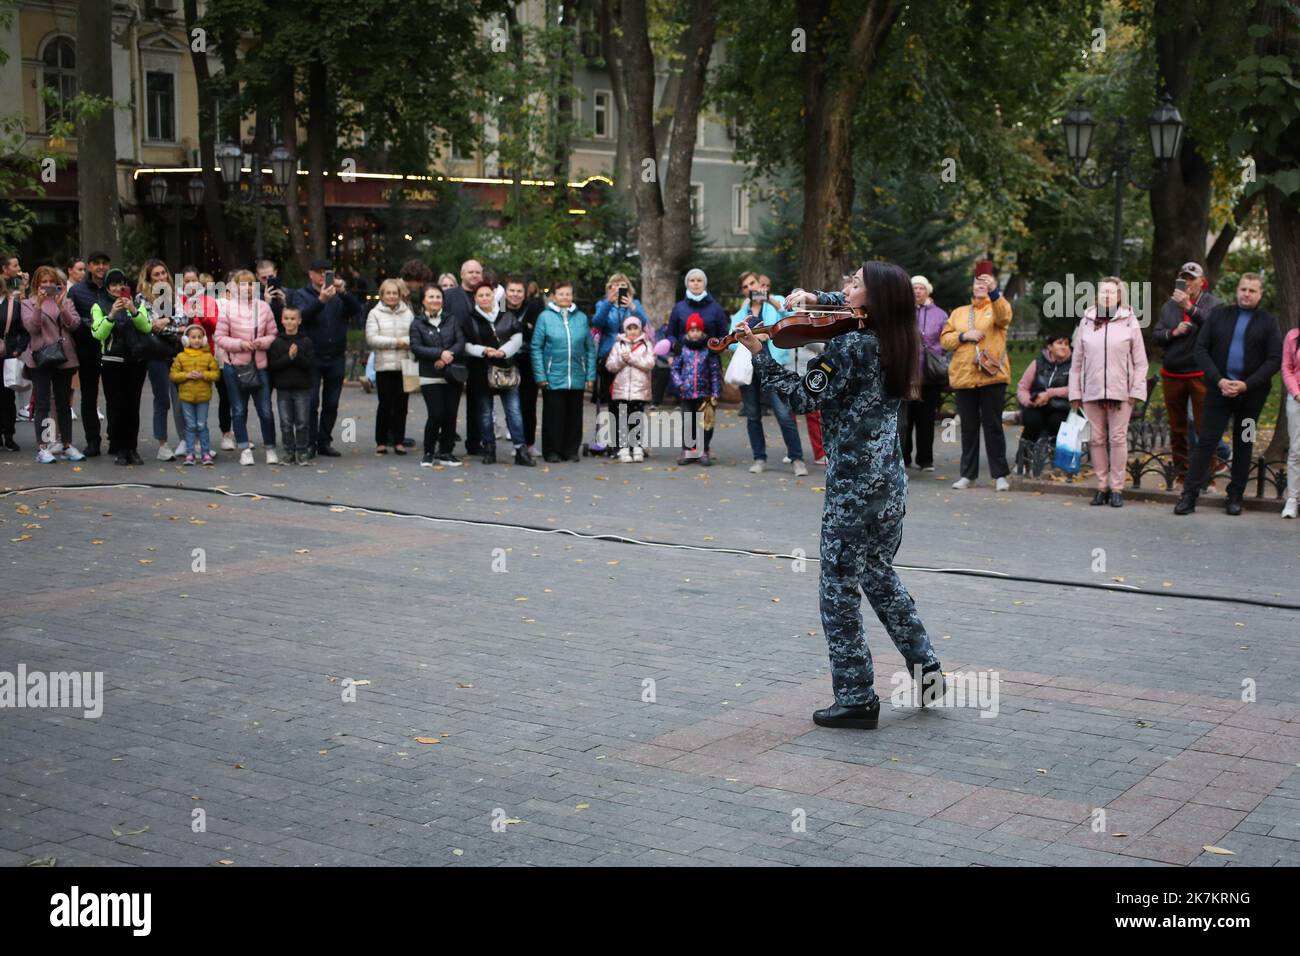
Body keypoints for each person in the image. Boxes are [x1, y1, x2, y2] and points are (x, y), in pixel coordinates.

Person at [747, 262, 944, 729]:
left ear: (871, 297)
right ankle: (928, 672)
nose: (843, 287)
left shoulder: (849, 345)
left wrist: (760, 353)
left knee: (838, 590)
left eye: (853, 282)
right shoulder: (898, 335)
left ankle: (856, 697)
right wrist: (808, 298)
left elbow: (799, 398)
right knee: (879, 574)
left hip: (853, 487)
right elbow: (847, 307)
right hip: (890, 484)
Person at [1175, 273, 1283, 516]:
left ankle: (1235, 497)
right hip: (1217, 393)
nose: (1246, 294)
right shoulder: (1219, 315)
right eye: (1243, 289)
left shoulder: (1268, 321)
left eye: (1252, 291)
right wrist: (1219, 380)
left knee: (1244, 442)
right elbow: (1201, 349)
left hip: (1251, 397)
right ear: (1237, 291)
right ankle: (1189, 497)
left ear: (1260, 294)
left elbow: (1274, 359)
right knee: (1206, 443)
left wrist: (1247, 384)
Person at [1068, 278, 1148, 507]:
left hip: (1121, 391)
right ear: (1097, 295)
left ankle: (1117, 488)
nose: (1107, 296)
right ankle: (1101, 486)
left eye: (1111, 293)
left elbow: (1140, 362)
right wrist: (1075, 392)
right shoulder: (1086, 321)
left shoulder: (1129, 321)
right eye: (1103, 291)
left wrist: (1135, 390)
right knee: (1096, 439)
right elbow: (1077, 361)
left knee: (1117, 438)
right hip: (1091, 389)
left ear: (1119, 296)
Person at [939, 271, 1013, 491]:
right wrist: (964, 336)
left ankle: (1000, 475)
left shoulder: (998, 306)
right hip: (964, 376)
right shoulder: (959, 313)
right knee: (968, 428)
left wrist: (994, 292)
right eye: (977, 282)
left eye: (986, 282)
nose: (981, 285)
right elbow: (944, 340)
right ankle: (967, 475)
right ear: (972, 286)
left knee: (993, 426)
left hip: (992, 377)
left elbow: (1004, 317)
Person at [1153, 261, 1223, 487]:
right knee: (1178, 430)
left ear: (1203, 281)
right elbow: (1156, 335)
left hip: (1201, 373)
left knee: (1205, 428)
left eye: (1193, 278)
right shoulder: (1169, 306)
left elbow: (1216, 329)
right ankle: (1182, 477)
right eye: (1185, 278)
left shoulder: (1213, 304)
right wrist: (1173, 332)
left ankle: (1208, 479)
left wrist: (1190, 309)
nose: (1189, 282)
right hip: (1172, 373)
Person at [730, 271, 806, 475]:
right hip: (750, 370)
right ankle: (759, 458)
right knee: (753, 415)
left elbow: (791, 320)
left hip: (774, 368)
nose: (751, 289)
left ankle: (797, 458)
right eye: (745, 287)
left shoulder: (777, 302)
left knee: (784, 414)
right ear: (742, 291)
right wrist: (750, 342)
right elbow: (730, 343)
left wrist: (772, 301)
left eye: (752, 283)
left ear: (760, 283)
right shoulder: (740, 313)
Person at [293, 258, 361, 459]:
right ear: (310, 274)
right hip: (312, 356)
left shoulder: (338, 295)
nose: (323, 275)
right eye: (319, 271)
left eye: (327, 272)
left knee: (331, 403)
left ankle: (325, 441)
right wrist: (321, 300)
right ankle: (310, 442)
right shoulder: (301, 294)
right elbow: (301, 318)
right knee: (312, 401)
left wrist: (344, 293)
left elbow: (357, 311)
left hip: (336, 356)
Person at [465, 282, 534, 466]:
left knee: (514, 411)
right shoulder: (470, 319)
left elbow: (517, 338)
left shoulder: (507, 316)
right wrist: (483, 350)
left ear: (493, 295)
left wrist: (503, 352)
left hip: (506, 368)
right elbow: (466, 344)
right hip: (481, 371)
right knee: (485, 413)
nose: (485, 298)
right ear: (475, 298)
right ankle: (489, 448)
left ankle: (521, 449)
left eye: (488, 295)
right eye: (480, 295)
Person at [91, 269, 154, 465]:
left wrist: (133, 311)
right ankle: (119, 448)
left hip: (135, 362)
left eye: (121, 284)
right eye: (113, 284)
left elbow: (147, 327)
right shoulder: (98, 305)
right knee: (115, 407)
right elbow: (98, 334)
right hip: (112, 362)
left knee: (132, 407)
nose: (118, 288)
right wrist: (111, 314)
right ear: (108, 287)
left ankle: (132, 448)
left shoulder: (137, 303)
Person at [21, 266, 83, 463]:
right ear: (37, 284)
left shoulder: (66, 301)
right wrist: (39, 305)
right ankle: (43, 446)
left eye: (51, 282)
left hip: (64, 357)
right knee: (43, 403)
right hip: (41, 357)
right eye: (43, 282)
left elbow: (74, 325)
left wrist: (62, 307)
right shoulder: (27, 303)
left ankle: (66, 444)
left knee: (64, 403)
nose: (47, 286)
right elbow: (32, 327)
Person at [217, 270, 279, 466]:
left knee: (265, 410)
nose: (248, 288)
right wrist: (239, 344)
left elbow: (273, 333)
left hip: (259, 366)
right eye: (243, 284)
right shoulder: (227, 309)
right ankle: (244, 448)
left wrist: (262, 342)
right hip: (234, 366)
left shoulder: (264, 308)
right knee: (238, 410)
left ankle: (270, 448)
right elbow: (219, 337)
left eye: (251, 284)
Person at [531, 281, 595, 463]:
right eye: (561, 294)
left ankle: (571, 450)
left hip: (576, 374)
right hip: (553, 375)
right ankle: (552, 451)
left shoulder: (581, 318)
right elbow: (536, 347)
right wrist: (540, 375)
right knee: (553, 416)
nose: (565, 297)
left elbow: (589, 348)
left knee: (575, 416)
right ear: (554, 296)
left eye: (568, 294)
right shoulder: (545, 317)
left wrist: (590, 375)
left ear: (572, 296)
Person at [409, 284, 466, 467]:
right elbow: (416, 347)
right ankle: (428, 451)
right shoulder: (417, 323)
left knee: (450, 414)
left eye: (438, 297)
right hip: (430, 375)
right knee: (436, 414)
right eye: (431, 297)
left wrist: (448, 356)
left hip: (451, 374)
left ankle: (446, 451)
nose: (435, 300)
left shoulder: (451, 319)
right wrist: (439, 353)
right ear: (423, 301)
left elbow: (460, 341)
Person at [137, 259, 188, 460]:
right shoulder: (142, 298)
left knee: (181, 398)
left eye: (163, 273)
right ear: (149, 278)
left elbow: (185, 320)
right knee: (162, 399)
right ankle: (163, 444)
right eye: (156, 275)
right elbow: (150, 325)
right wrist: (174, 326)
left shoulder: (176, 296)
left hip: (176, 351)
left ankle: (186, 440)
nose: (161, 277)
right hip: (156, 354)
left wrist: (167, 320)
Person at [181, 268, 233, 451]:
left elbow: (216, 326)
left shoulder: (209, 302)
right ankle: (194, 441)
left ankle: (226, 433)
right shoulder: (178, 303)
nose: (190, 284)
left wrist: (202, 316)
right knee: (195, 398)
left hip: (210, 355)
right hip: (187, 358)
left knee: (224, 393)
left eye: (194, 280)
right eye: (186, 281)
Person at [66, 251, 112, 456]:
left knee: (115, 397)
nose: (101, 267)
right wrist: (95, 325)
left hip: (114, 349)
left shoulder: (116, 287)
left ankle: (116, 438)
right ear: (90, 266)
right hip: (88, 348)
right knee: (89, 396)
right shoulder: (77, 291)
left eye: (104, 263)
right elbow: (72, 320)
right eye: (96, 263)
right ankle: (92, 440)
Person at [902, 275, 948, 471]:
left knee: (926, 420)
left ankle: (925, 459)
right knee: (904, 420)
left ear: (928, 291)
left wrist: (933, 350)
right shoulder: (902, 312)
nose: (917, 291)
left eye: (921, 288)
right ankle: (903, 458)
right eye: (914, 288)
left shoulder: (940, 314)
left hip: (929, 376)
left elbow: (946, 341)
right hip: (905, 374)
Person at [366, 278, 415, 456]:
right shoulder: (374, 313)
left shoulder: (407, 313)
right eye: (388, 293)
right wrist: (397, 342)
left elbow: (415, 336)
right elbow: (372, 339)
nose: (392, 296)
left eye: (395, 293)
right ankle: (381, 441)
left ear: (399, 294)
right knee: (385, 404)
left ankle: (399, 441)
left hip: (404, 365)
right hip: (384, 366)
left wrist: (405, 342)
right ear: (382, 295)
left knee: (402, 405)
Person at [1015, 327, 1074, 463]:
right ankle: (1023, 461)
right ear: (1050, 347)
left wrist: (1049, 393)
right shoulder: (1037, 363)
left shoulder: (1074, 365)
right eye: (1059, 343)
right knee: (1032, 421)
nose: (1064, 347)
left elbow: (1076, 389)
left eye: (1066, 344)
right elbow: (1022, 387)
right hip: (1037, 406)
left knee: (1057, 422)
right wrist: (1029, 401)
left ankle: (1058, 461)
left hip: (1061, 407)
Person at [670, 313, 722, 466]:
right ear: (687, 332)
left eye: (697, 330)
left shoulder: (708, 349)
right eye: (692, 331)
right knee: (688, 422)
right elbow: (675, 369)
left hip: (705, 393)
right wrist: (680, 384)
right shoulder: (682, 349)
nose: (695, 333)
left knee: (706, 423)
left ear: (702, 332)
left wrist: (716, 392)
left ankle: (704, 449)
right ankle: (689, 449)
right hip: (686, 393)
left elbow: (714, 371)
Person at [266, 305, 315, 465]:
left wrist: (297, 356)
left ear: (299, 321)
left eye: (293, 319)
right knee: (286, 422)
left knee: (302, 422)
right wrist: (289, 357)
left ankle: (302, 451)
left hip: (302, 388)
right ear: (281, 320)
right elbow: (273, 365)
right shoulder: (277, 342)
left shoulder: (306, 341)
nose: (290, 322)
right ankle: (288, 451)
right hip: (283, 389)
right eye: (286, 318)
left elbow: (309, 364)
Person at [593, 273, 651, 405]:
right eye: (616, 285)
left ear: (628, 288)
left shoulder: (635, 304)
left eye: (622, 285)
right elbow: (597, 323)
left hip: (632, 353)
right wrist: (608, 303)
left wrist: (632, 307)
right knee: (613, 399)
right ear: (610, 287)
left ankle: (631, 424)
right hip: (610, 355)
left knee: (631, 399)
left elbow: (643, 322)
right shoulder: (602, 304)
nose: (619, 288)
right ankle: (616, 424)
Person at [168, 322, 220, 465]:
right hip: (186, 397)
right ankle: (190, 453)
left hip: (203, 397)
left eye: (199, 337)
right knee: (190, 426)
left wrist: (203, 375)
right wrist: (187, 376)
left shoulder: (208, 356)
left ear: (203, 339)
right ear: (186, 340)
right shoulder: (180, 357)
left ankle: (205, 453)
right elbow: (173, 375)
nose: (196, 340)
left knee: (202, 424)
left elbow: (215, 374)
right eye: (193, 337)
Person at [606, 314, 654, 463]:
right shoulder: (618, 345)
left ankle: (637, 446)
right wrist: (622, 360)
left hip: (639, 390)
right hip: (622, 389)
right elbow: (610, 365)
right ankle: (623, 447)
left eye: (635, 328)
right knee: (622, 420)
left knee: (636, 419)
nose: (633, 331)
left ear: (640, 329)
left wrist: (632, 359)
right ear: (625, 330)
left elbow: (650, 363)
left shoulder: (647, 345)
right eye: (629, 328)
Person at [506, 277, 545, 457]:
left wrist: (518, 327)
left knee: (529, 404)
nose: (515, 295)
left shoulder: (534, 307)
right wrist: (524, 327)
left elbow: (536, 332)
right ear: (506, 292)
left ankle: (529, 443)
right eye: (512, 291)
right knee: (512, 406)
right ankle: (517, 443)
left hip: (528, 361)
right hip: (507, 362)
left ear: (525, 292)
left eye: (518, 291)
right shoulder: (499, 308)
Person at [664, 268, 729, 354]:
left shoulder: (716, 308)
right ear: (687, 284)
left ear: (704, 284)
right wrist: (675, 345)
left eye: (699, 280)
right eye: (692, 280)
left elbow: (723, 335)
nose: (696, 283)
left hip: (710, 361)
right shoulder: (678, 308)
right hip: (683, 360)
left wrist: (718, 346)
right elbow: (670, 334)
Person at [1, 256, 28, 451]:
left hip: (7, 354)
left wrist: (18, 349)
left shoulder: (12, 304)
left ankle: (8, 434)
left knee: (6, 395)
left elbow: (23, 330)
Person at [1282, 322, 1299, 519]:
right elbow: (1287, 368)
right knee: (1296, 450)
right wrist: (1296, 394)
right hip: (1297, 399)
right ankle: (1292, 499)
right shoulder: (1293, 336)